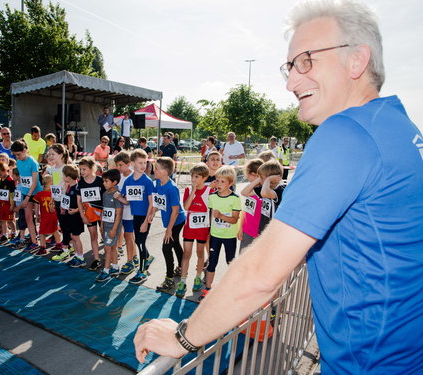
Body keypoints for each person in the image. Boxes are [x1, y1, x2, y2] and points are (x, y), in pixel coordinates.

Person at [133, 1, 423, 374]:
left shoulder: (346, 133)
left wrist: (182, 338)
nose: (290, 81)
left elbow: (261, 274)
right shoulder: (398, 127)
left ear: (357, 60)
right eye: (290, 66)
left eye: (307, 60)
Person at [200, 166, 241, 301]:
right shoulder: (212, 197)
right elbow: (211, 216)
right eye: (217, 181)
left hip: (229, 237)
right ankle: (208, 288)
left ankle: (232, 289)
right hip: (215, 236)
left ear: (230, 183)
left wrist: (222, 216)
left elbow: (235, 220)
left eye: (223, 181)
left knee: (230, 262)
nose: (218, 184)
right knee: (212, 262)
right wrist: (208, 232)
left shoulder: (235, 198)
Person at [115, 149, 155, 284]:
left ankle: (142, 272)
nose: (143, 165)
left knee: (141, 242)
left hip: (145, 217)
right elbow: (128, 201)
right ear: (132, 163)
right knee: (138, 241)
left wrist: (146, 220)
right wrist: (119, 197)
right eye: (140, 163)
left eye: (145, 162)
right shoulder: (129, 181)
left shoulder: (147, 181)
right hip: (135, 216)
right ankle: (148, 258)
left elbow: (151, 203)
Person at [150, 157, 186, 294]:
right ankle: (182, 266)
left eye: (157, 168)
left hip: (177, 221)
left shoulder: (172, 188)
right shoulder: (157, 183)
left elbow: (176, 211)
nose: (154, 170)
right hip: (170, 220)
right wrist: (152, 212)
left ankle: (169, 278)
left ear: (166, 172)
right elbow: (159, 202)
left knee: (166, 247)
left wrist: (169, 230)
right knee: (175, 243)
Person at [181, 163, 211, 296]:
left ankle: (198, 277)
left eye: (197, 177)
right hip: (189, 227)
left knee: (200, 253)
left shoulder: (209, 191)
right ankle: (183, 280)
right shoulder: (188, 189)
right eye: (192, 176)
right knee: (186, 253)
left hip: (202, 228)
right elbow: (186, 207)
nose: (193, 179)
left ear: (204, 178)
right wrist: (193, 191)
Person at [11, 139, 42, 253]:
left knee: (39, 217)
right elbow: (21, 180)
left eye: (18, 154)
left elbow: (34, 183)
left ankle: (44, 242)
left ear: (25, 150)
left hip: (36, 193)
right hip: (25, 192)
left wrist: (28, 197)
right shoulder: (18, 162)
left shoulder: (33, 162)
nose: (17, 157)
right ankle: (34, 242)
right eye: (15, 155)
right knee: (28, 217)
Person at [75, 157, 105, 270]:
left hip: (101, 212)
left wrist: (104, 213)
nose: (82, 172)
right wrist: (82, 216)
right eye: (80, 169)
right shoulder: (81, 183)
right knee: (93, 235)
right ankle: (96, 259)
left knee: (103, 233)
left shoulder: (100, 181)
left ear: (92, 168)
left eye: (84, 169)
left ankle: (110, 256)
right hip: (89, 214)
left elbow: (106, 197)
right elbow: (79, 200)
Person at [95, 169, 124, 282]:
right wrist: (101, 225)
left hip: (113, 227)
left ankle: (106, 270)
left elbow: (119, 213)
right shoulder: (104, 194)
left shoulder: (117, 195)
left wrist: (114, 228)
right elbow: (104, 210)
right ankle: (115, 267)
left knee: (107, 248)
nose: (104, 183)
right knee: (112, 248)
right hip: (106, 225)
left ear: (114, 182)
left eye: (106, 181)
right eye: (103, 181)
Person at [114, 151, 138, 275]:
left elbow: (129, 200)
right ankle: (134, 257)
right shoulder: (120, 176)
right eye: (117, 165)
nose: (118, 168)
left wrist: (119, 197)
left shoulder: (134, 176)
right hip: (120, 211)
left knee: (129, 236)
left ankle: (130, 261)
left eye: (120, 165)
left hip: (130, 212)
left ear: (128, 164)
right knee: (127, 236)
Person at [60, 164, 85, 267]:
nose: (62, 177)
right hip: (69, 216)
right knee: (72, 236)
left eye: (63, 175)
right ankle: (77, 255)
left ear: (68, 177)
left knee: (75, 236)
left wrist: (76, 210)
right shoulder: (68, 187)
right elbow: (65, 200)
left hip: (76, 217)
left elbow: (84, 204)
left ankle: (81, 258)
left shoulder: (78, 187)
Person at [238, 159, 264, 252]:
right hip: (247, 231)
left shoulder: (262, 191)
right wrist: (240, 228)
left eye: (247, 174)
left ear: (254, 174)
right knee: (242, 259)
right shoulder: (251, 188)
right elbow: (245, 210)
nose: (246, 176)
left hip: (259, 233)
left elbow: (243, 192)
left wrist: (258, 179)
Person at [33, 175, 63, 256]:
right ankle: (59, 244)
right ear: (51, 184)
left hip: (45, 216)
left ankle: (43, 248)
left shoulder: (39, 194)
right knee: (54, 230)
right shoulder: (53, 194)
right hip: (53, 216)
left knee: (42, 232)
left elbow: (36, 205)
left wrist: (37, 215)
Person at [0, 161, 17, 242]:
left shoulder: (10, 180)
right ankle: (4, 234)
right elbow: (1, 190)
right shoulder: (1, 180)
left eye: (0, 174)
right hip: (2, 202)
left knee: (10, 220)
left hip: (8, 203)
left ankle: (14, 232)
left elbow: (12, 193)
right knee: (2, 219)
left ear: (5, 170)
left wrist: (12, 204)